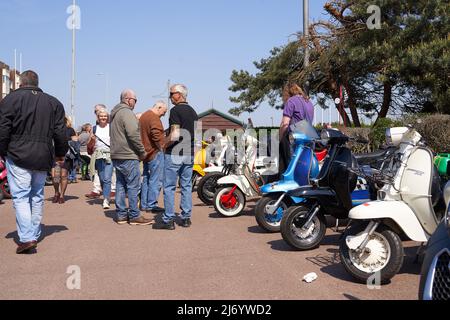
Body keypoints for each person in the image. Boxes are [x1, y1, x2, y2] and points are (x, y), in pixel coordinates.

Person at [0, 70, 67, 254]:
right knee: (36, 195)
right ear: (37, 83)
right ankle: (33, 234)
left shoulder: (10, 100)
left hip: (17, 154)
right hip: (43, 154)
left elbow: (3, 128)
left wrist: (2, 151)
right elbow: (60, 132)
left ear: (21, 83)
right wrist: (60, 153)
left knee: (21, 196)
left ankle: (27, 238)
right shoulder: (53, 102)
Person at [153, 84, 198, 231]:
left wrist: (164, 144)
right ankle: (186, 218)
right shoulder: (194, 112)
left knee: (170, 187)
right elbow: (197, 135)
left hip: (174, 153)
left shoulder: (175, 110)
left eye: (171, 93)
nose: (170, 96)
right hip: (189, 153)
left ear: (179, 94)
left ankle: (168, 220)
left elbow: (175, 134)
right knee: (186, 186)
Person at [110, 89, 153, 226]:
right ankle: (134, 215)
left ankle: (121, 215)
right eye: (135, 100)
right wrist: (142, 152)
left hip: (117, 154)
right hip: (128, 155)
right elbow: (133, 134)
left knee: (121, 185)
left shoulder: (115, 113)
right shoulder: (127, 113)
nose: (135, 103)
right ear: (128, 99)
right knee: (133, 186)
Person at [278, 82, 315, 178]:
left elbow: (285, 124)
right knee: (305, 167)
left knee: (292, 168)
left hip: (296, 137)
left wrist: (278, 138)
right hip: (309, 135)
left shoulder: (291, 101)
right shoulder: (309, 102)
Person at [139, 101, 168, 213]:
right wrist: (162, 146)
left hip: (146, 152)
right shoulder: (154, 118)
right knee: (156, 180)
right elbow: (156, 135)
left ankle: (145, 204)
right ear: (159, 107)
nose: (163, 114)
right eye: (163, 112)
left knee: (147, 178)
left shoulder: (144, 116)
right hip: (154, 152)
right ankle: (151, 204)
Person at [85, 104, 116, 199]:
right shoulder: (95, 126)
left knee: (112, 171)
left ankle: (112, 189)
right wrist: (92, 143)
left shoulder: (110, 125)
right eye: (96, 112)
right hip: (98, 152)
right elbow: (91, 139)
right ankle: (97, 189)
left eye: (98, 111)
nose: (97, 113)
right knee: (99, 172)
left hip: (109, 152)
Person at [89, 109, 113, 210]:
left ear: (107, 118)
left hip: (109, 155)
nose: (103, 118)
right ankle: (105, 194)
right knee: (102, 178)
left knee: (107, 178)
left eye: (105, 116)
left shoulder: (111, 127)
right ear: (98, 118)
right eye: (101, 116)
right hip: (98, 155)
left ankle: (106, 199)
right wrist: (92, 140)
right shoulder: (94, 128)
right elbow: (90, 145)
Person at [52, 116, 77, 204]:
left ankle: (62, 195)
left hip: (66, 156)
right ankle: (56, 193)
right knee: (55, 177)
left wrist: (69, 140)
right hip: (55, 156)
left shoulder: (70, 130)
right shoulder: (52, 129)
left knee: (63, 175)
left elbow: (75, 141)